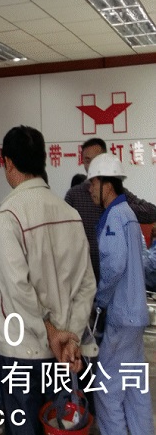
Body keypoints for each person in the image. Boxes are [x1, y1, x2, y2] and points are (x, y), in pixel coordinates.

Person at [0, 125, 96, 435]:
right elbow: (87, 285)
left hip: (22, 353)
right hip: (62, 355)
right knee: (57, 425)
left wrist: (51, 333)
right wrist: (70, 337)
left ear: (7, 162)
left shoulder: (10, 216)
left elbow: (18, 291)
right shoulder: (69, 213)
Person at [86, 153, 154, 434]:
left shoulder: (114, 216)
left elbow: (114, 265)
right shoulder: (129, 215)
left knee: (106, 390)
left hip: (121, 317)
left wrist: (98, 300)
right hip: (136, 315)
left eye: (93, 183)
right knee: (135, 386)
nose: (90, 189)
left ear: (107, 184)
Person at [64, 137, 156, 282]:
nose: (92, 165)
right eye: (87, 160)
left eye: (97, 160)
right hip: (83, 276)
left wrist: (117, 203)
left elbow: (151, 213)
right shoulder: (74, 196)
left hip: (115, 278)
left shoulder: (119, 195)